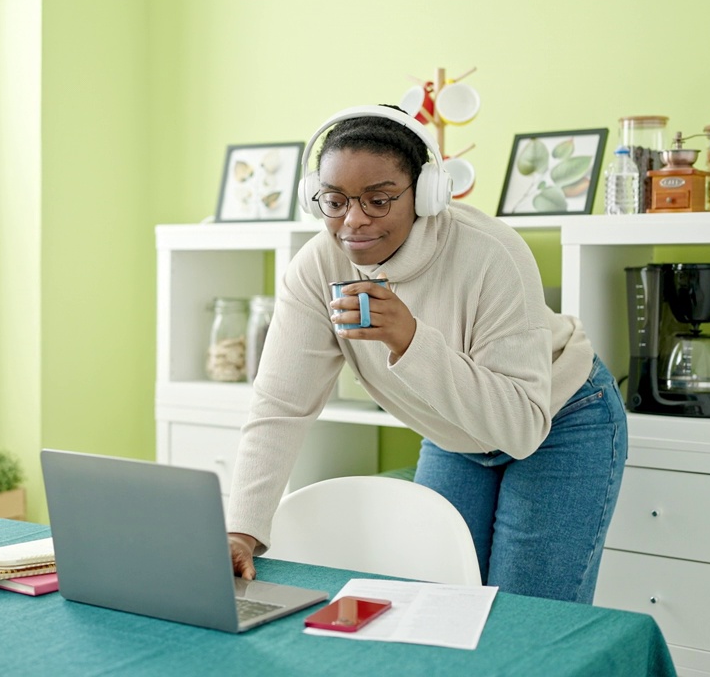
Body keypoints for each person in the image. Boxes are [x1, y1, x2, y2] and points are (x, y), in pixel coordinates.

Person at [225, 105, 627, 604]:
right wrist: (241, 530)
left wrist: (411, 339)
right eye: (334, 200)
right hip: (451, 426)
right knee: (438, 603)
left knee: (528, 613)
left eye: (379, 200)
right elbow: (280, 406)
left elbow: (522, 428)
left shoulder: (492, 254)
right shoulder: (317, 269)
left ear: (428, 193)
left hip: (561, 418)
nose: (353, 220)